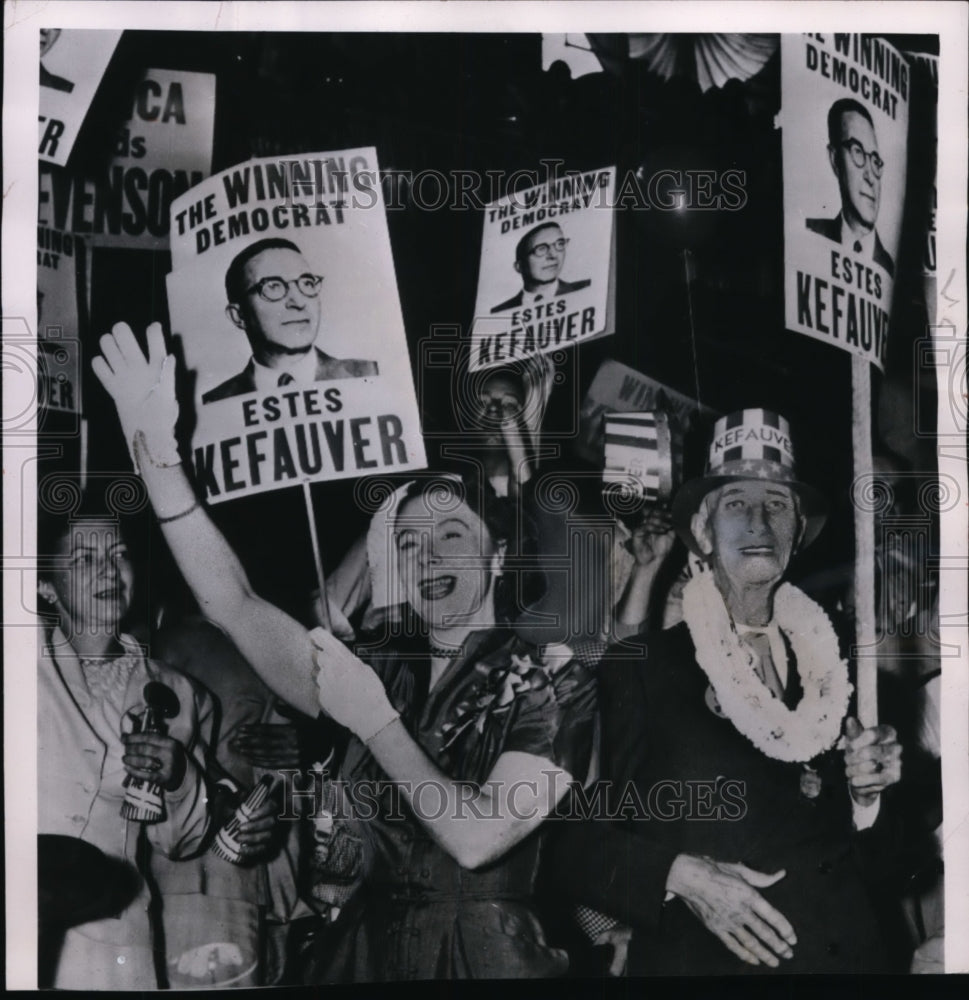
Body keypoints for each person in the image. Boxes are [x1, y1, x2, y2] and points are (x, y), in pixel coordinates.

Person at [92, 322, 598, 981]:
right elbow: (233, 605)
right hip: (360, 955)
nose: (427, 554)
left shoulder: (551, 677)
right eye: (409, 541)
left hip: (486, 955)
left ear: (497, 555)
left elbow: (477, 839)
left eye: (452, 532)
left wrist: (375, 721)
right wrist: (158, 461)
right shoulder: (381, 668)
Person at [545, 408, 905, 975]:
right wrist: (680, 876)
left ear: (797, 534)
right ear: (705, 532)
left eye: (778, 504)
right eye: (736, 503)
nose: (759, 521)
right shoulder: (643, 669)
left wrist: (870, 798)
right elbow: (569, 846)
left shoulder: (845, 671)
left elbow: (892, 870)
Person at [36, 508, 213, 988]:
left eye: (118, 555)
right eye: (84, 559)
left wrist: (179, 778)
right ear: (45, 586)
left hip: (120, 943)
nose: (109, 571)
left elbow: (181, 842)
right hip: (24, 931)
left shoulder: (179, 692)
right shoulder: (21, 668)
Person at [202, 237, 379, 403]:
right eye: (273, 287)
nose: (299, 302)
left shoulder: (369, 375)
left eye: (307, 283)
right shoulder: (216, 402)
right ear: (238, 316)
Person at [805, 98, 895, 276]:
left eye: (875, 161)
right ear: (835, 160)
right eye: (858, 152)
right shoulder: (809, 235)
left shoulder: (894, 272)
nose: (870, 176)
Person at [490, 222, 591, 314]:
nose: (553, 255)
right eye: (541, 249)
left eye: (560, 244)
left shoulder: (586, 289)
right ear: (519, 266)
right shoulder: (500, 312)